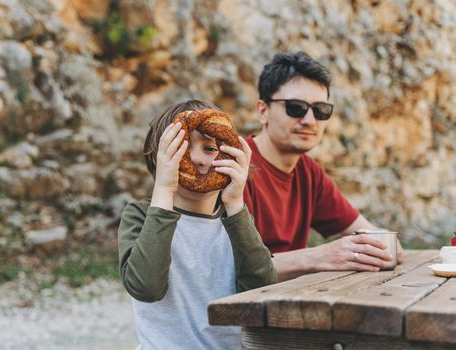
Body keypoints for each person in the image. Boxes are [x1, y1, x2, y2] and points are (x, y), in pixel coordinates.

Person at [118, 100, 277, 349]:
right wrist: (163, 190)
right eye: (181, 149)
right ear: (160, 157)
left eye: (210, 148)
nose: (197, 159)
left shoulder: (235, 220)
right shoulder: (141, 215)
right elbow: (146, 288)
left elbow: (262, 290)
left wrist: (236, 203)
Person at [244, 51, 403, 282]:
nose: (310, 120)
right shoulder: (237, 166)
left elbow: (375, 237)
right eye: (296, 107)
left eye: (320, 110)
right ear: (263, 111)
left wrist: (386, 246)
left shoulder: (308, 172)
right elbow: (234, 267)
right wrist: (321, 256)